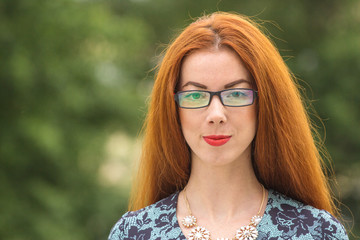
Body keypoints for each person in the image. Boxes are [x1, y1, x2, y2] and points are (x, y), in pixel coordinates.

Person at [108, 12, 348, 240]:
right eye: (195, 96)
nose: (216, 114)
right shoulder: (133, 233)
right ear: (173, 109)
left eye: (236, 94)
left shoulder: (318, 232)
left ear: (265, 105)